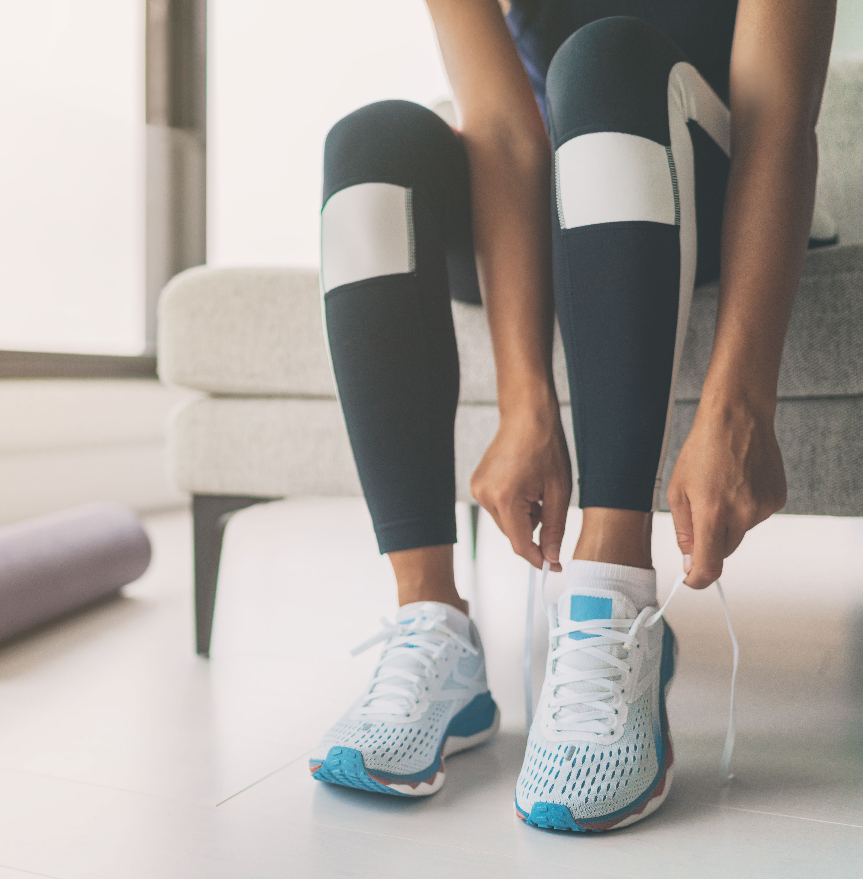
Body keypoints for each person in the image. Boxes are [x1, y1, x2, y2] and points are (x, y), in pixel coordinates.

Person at [307, 0, 836, 831]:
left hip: (704, 171)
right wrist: (526, 405)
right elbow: (506, 132)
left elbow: (777, 116)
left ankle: (610, 600)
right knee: (370, 151)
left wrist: (742, 403)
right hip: (562, 199)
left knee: (602, 60)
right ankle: (430, 622)